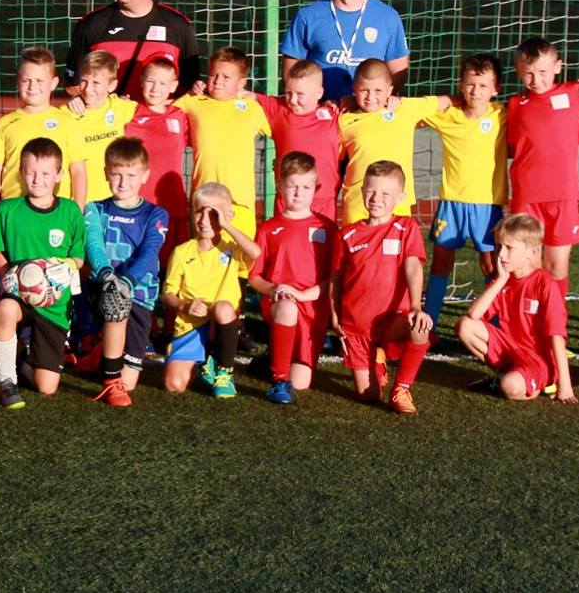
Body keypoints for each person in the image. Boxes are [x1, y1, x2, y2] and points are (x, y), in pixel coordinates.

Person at [0, 137, 86, 406]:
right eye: (30, 172)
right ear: (21, 172)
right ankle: (7, 382)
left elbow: (78, 256)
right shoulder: (7, 209)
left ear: (59, 175)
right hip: (18, 295)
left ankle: (25, 363)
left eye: (45, 173)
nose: (37, 179)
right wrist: (8, 277)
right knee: (5, 309)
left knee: (46, 387)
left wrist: (66, 267)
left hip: (54, 301)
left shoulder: (70, 211)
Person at [332, 162, 434, 415]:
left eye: (386, 193)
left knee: (419, 326)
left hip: (392, 319)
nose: (376, 198)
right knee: (368, 396)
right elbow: (336, 280)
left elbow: (413, 265)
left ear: (400, 197)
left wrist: (416, 306)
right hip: (357, 326)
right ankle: (377, 360)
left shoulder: (405, 227)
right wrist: (335, 318)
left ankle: (401, 388)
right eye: (371, 191)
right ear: (362, 190)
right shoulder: (347, 235)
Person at [504, 37, 579, 285]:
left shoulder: (575, 93)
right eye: (529, 73)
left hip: (563, 196)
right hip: (527, 197)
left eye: (543, 72)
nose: (536, 80)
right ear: (518, 71)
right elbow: (511, 147)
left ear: (558, 67)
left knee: (556, 267)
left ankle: (555, 311)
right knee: (526, 266)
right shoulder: (515, 105)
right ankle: (527, 310)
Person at [457, 213, 578, 404]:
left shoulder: (545, 284)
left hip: (538, 359)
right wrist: (501, 280)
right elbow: (474, 315)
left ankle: (534, 382)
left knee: (510, 387)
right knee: (464, 325)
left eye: (509, 248)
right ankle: (504, 375)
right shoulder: (504, 280)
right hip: (511, 348)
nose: (501, 254)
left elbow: (557, 335)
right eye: (499, 247)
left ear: (532, 251)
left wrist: (566, 385)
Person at [422, 54, 507, 324]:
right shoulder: (448, 116)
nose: (475, 91)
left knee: (491, 265)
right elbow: (414, 112)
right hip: (451, 203)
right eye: (470, 84)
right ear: (460, 85)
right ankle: (429, 325)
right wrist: (447, 99)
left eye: (483, 86)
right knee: (441, 263)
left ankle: (494, 326)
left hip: (488, 205)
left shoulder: (503, 115)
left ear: (496, 89)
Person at [82, 137, 167, 405]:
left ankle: (100, 352)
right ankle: (110, 381)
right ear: (106, 173)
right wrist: (108, 276)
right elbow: (94, 244)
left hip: (139, 295)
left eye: (131, 175)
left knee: (129, 382)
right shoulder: (95, 209)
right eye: (116, 174)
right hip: (102, 288)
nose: (123, 182)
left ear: (145, 175)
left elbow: (150, 252)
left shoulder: (156, 214)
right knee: (114, 298)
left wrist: (127, 282)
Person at [251, 151, 337, 406]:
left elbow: (334, 278)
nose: (298, 193)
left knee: (301, 382)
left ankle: (272, 357)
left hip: (313, 306)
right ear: (279, 187)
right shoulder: (268, 229)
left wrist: (303, 294)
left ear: (316, 189)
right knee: (287, 307)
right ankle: (279, 381)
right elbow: (254, 277)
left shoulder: (327, 228)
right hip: (280, 301)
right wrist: (274, 289)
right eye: (292, 186)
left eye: (306, 187)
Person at [278, 0, 410, 102]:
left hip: (367, 111)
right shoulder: (308, 16)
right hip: (321, 110)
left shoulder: (387, 16)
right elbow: (291, 71)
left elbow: (398, 71)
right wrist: (312, 105)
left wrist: (371, 103)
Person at [160, 183, 258, 398]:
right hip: (190, 326)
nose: (204, 220)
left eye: (213, 213)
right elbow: (167, 295)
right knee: (174, 385)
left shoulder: (232, 248)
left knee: (223, 308)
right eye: (199, 211)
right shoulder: (182, 252)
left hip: (219, 323)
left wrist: (226, 226)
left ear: (226, 216)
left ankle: (224, 372)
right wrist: (185, 305)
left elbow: (255, 252)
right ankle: (204, 361)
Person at [66, 0, 202, 99]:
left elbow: (190, 89)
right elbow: (73, 86)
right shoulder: (91, 24)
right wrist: (111, 105)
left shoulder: (178, 25)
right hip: (110, 115)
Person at [334, 59, 450, 225]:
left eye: (378, 90)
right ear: (354, 88)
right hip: (358, 205)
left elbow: (445, 101)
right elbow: (334, 160)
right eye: (364, 90)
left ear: (389, 90)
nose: (371, 97)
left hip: (397, 204)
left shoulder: (404, 108)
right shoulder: (343, 120)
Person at [176, 48, 270, 235]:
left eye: (226, 77)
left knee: (240, 252)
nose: (218, 81)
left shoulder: (253, 108)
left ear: (241, 83)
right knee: (203, 251)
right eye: (213, 75)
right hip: (203, 201)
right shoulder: (192, 101)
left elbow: (285, 124)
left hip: (239, 202)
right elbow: (160, 115)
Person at [0, 47, 81, 226]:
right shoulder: (5, 123)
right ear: (17, 81)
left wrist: (78, 212)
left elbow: (77, 170)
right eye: (26, 80)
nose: (32, 86)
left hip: (57, 214)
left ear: (53, 83)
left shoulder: (67, 122)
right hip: (14, 213)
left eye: (39, 81)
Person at [257, 60, 344, 222]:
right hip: (288, 197)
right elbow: (245, 95)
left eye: (300, 94)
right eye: (288, 93)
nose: (292, 99)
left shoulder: (335, 116)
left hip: (323, 199)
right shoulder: (278, 109)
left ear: (319, 93)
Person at [124, 55, 193, 251]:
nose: (155, 89)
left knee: (171, 261)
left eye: (163, 83)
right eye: (150, 81)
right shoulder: (128, 111)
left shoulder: (179, 115)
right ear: (141, 81)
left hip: (172, 203)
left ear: (174, 86)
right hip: (136, 202)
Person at [71, 52, 140, 206]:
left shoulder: (122, 107)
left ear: (112, 85)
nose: (88, 89)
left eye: (96, 83)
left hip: (114, 201)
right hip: (82, 202)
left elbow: (156, 107)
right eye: (84, 81)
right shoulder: (68, 113)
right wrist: (72, 99)